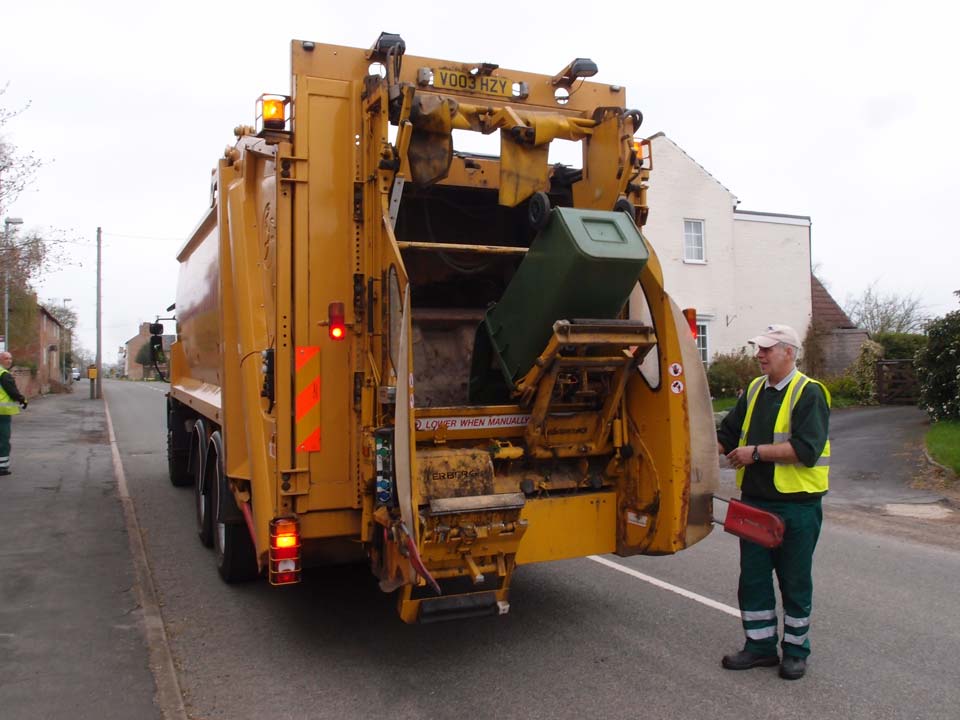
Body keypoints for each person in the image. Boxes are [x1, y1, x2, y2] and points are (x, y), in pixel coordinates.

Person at [715, 325, 831, 681]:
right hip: (756, 503)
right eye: (758, 349)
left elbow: (806, 449)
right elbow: (727, 434)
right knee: (753, 579)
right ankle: (760, 647)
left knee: (794, 580)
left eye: (767, 349)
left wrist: (756, 453)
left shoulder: (809, 393)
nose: (759, 355)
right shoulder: (754, 389)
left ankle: (796, 652)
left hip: (797, 506)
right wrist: (700, 447)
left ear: (789, 353)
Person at [0, 351, 29, 476]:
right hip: (2, 412)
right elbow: (13, 392)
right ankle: (2, 467)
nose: (9, 361)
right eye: (6, 358)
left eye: (11, 358)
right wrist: (23, 400)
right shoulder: (4, 375)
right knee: (3, 440)